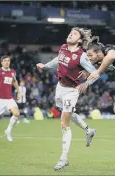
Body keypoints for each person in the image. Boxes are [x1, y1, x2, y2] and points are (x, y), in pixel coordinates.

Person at [37, 27, 97, 171]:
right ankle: (88, 130)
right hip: (60, 87)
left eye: (75, 33)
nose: (71, 33)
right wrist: (45, 66)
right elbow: (58, 60)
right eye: (71, 32)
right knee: (67, 114)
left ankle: (64, 158)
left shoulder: (81, 56)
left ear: (80, 40)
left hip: (72, 90)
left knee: (64, 123)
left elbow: (95, 72)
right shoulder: (63, 48)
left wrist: (86, 82)